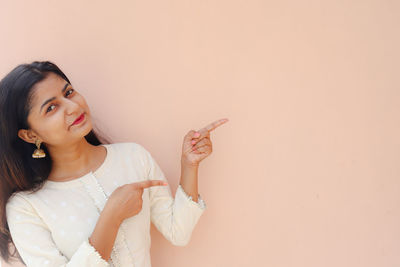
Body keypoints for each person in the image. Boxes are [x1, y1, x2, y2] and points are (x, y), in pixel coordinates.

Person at [0, 61, 229, 267]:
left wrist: (189, 165)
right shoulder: (26, 207)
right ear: (30, 135)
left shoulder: (132, 157)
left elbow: (178, 232)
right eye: (51, 107)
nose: (72, 106)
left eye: (69, 93)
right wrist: (112, 216)